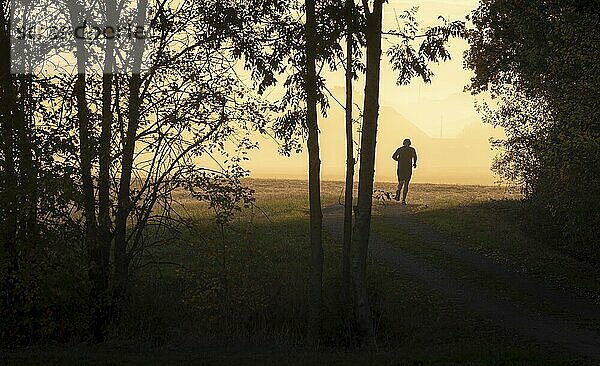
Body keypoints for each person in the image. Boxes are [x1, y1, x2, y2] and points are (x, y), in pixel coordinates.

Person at [392, 138, 417, 204]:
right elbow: (415, 157)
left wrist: (398, 160)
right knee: (406, 183)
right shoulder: (412, 150)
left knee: (401, 182)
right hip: (408, 168)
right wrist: (414, 163)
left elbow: (393, 156)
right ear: (410, 143)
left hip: (401, 167)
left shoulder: (400, 149)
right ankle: (403, 200)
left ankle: (398, 194)